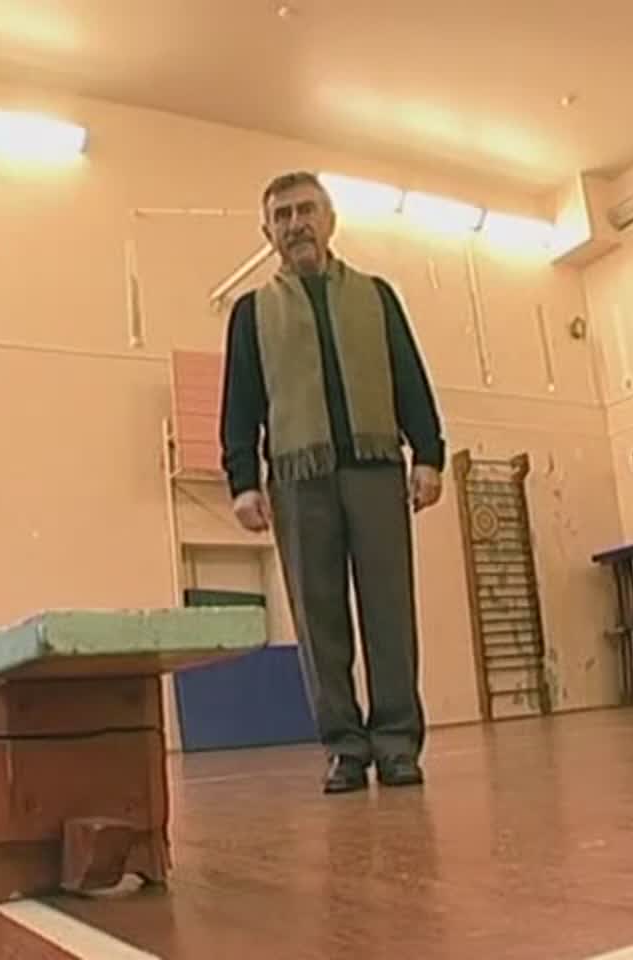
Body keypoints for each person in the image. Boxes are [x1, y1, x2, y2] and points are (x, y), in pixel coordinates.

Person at [219, 170, 446, 794]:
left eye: (305, 210)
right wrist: (243, 480)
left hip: (376, 471)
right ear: (267, 231)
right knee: (318, 621)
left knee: (390, 612)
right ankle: (344, 747)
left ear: (330, 220)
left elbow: (409, 376)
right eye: (282, 215)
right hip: (298, 481)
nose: (296, 224)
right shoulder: (251, 313)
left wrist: (429, 453)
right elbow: (240, 403)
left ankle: (397, 744)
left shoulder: (377, 296)